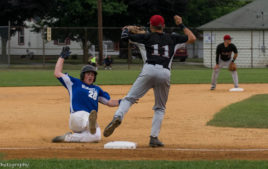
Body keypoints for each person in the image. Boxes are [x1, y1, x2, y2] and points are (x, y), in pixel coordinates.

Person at [103, 15, 196, 147]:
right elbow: (192, 38)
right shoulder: (172, 38)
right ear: (163, 26)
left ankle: (118, 116)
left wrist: (127, 28)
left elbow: (124, 38)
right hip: (165, 73)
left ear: (151, 26)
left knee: (129, 99)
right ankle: (154, 138)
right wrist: (181, 24)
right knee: (160, 108)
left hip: (148, 70)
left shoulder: (145, 38)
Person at [52, 46, 120, 143]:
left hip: (86, 120)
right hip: (76, 117)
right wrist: (62, 57)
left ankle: (68, 138)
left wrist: (124, 101)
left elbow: (109, 102)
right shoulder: (74, 83)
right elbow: (57, 73)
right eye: (88, 74)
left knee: (96, 136)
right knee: (87, 117)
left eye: (92, 75)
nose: (90, 76)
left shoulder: (97, 89)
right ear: (83, 75)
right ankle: (90, 122)